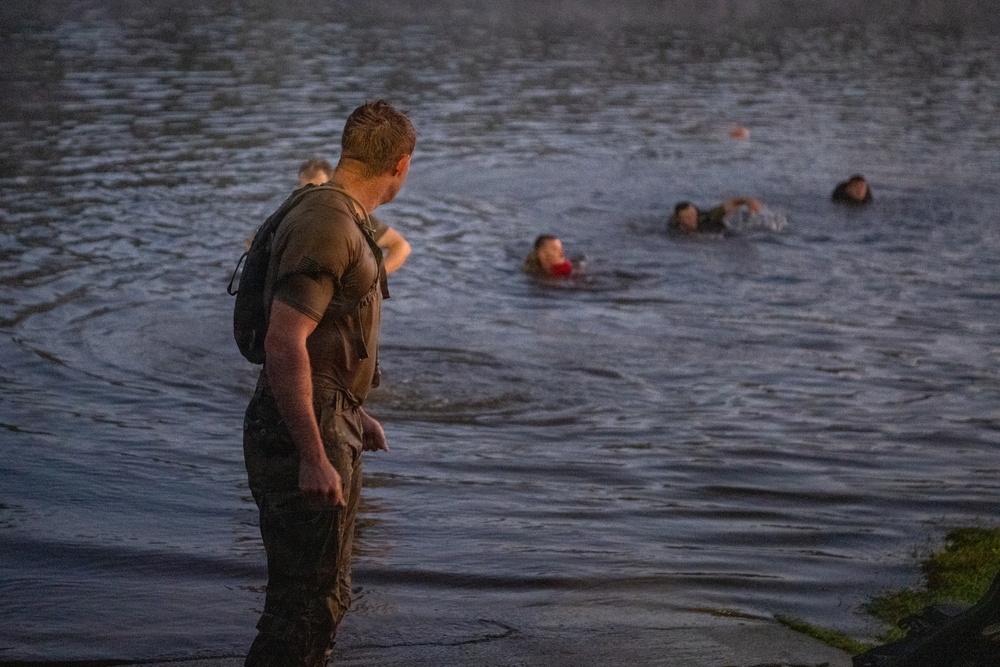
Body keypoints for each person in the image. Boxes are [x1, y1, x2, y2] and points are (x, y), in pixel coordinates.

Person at [242, 100, 416, 667]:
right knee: (304, 607)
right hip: (306, 426)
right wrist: (315, 453)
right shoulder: (328, 222)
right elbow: (282, 342)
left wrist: (351, 408)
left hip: (326, 411)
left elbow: (323, 339)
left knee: (320, 601)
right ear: (401, 166)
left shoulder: (340, 216)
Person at [296, 157, 412, 274]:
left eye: (319, 190)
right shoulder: (294, 221)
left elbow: (401, 246)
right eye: (306, 191)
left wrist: (375, 277)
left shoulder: (352, 217)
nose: (312, 197)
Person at [668, 197, 761, 234]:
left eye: (693, 215)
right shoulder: (674, 227)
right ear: (679, 219)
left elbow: (732, 204)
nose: (692, 220)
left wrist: (747, 202)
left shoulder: (707, 217)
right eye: (687, 218)